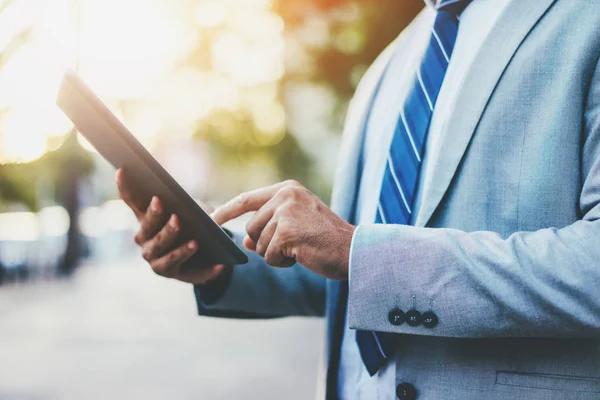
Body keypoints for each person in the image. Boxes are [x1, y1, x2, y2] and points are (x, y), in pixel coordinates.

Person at [116, 0, 600, 399]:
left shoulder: (583, 18)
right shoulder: (387, 69)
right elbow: (356, 275)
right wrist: (220, 264)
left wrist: (354, 249)